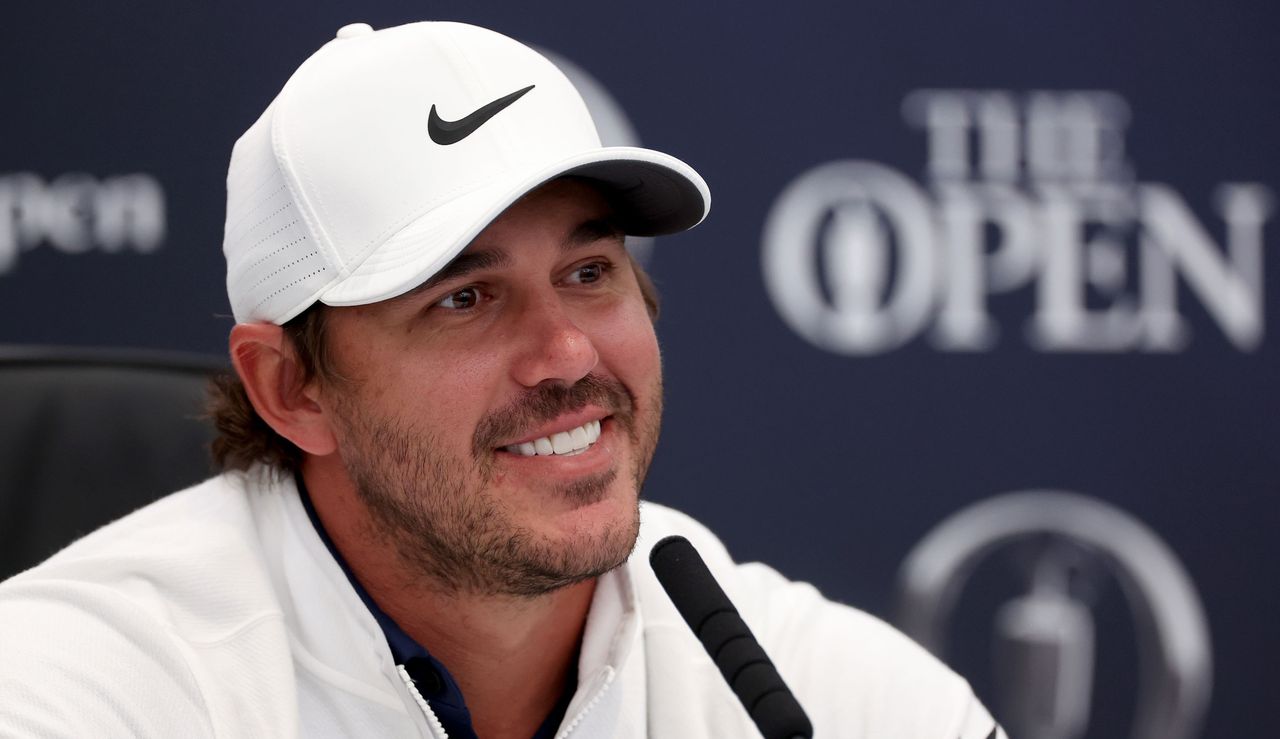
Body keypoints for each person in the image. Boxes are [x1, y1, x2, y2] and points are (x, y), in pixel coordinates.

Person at [0, 21, 1003, 739]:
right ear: (292, 388)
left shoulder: (809, 685)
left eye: (587, 271)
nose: (566, 355)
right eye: (463, 300)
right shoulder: (75, 689)